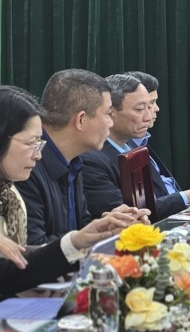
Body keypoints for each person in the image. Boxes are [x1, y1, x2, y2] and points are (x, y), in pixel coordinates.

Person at [0, 85, 140, 297]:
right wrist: (76, 241)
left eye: (39, 143)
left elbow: (18, 263)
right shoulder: (23, 181)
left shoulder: (10, 193)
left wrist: (92, 234)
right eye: (30, 143)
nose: (38, 155)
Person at [19, 69, 148, 244]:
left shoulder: (74, 160)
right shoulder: (26, 166)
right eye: (108, 114)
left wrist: (108, 227)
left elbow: (79, 228)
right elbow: (32, 248)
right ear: (81, 120)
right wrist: (87, 238)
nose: (111, 123)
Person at [82, 74, 190, 220]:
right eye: (139, 110)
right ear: (110, 112)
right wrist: (188, 196)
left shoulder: (132, 148)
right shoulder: (91, 160)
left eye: (149, 107)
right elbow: (127, 217)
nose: (148, 117)